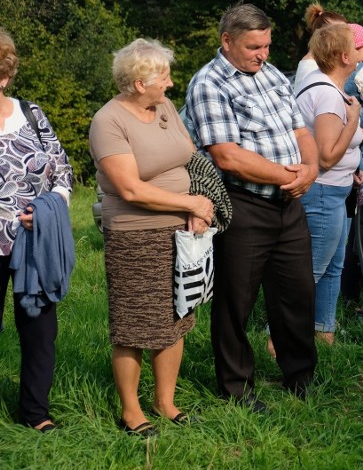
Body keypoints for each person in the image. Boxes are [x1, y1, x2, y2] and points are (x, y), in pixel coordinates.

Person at [184, 4, 318, 408]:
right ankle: (236, 388)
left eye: (266, 45)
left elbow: (301, 129)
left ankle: (300, 377)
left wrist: (310, 168)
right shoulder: (209, 83)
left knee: (298, 293)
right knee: (235, 300)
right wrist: (291, 177)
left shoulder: (272, 74)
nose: (262, 54)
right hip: (243, 204)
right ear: (227, 41)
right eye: (253, 46)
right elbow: (227, 156)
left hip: (288, 204)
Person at [90, 38, 214, 436]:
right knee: (134, 322)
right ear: (140, 82)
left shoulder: (162, 108)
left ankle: (165, 401)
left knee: (176, 315)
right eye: (163, 76)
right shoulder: (108, 121)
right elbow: (129, 189)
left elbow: (187, 152)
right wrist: (190, 203)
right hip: (135, 235)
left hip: (178, 229)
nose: (171, 84)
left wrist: (196, 208)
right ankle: (131, 411)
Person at [0, 28, 73, 432]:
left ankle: (35, 412)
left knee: (39, 330)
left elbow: (62, 171)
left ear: (5, 75)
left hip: (33, 241)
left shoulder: (31, 114)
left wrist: (47, 210)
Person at [295, 24, 363, 345]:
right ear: (343, 56)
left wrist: (351, 166)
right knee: (310, 271)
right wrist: (354, 120)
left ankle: (324, 333)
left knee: (332, 267)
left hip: (334, 191)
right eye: (359, 47)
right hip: (322, 192)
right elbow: (325, 156)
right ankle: (278, 339)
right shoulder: (326, 92)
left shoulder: (328, 88)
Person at [293, 2, 348, 90]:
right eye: (341, 33)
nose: (346, 39)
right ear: (323, 34)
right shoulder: (311, 67)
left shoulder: (319, 63)